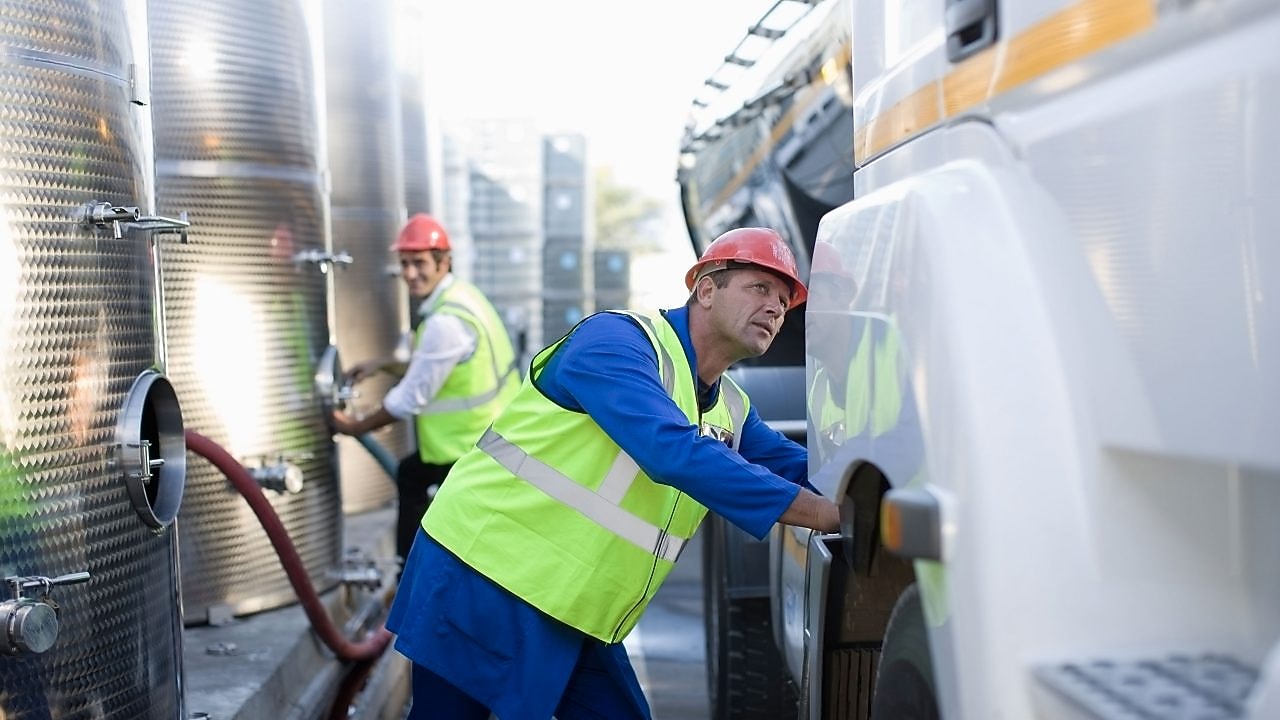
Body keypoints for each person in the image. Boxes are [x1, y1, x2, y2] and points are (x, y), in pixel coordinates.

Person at [385, 227, 842, 720]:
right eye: (759, 288)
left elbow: (798, 465)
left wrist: (874, 490)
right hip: (483, 576)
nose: (775, 307)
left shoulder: (729, 406)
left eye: (782, 299)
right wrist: (824, 513)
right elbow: (670, 451)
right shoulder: (615, 342)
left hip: (572, 605)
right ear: (706, 289)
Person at [329, 213, 519, 564]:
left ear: (443, 261)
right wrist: (383, 364)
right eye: (404, 264)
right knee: (417, 482)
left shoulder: (445, 322)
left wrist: (353, 427)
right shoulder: (464, 298)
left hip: (470, 446)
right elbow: (440, 366)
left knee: (412, 481)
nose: (410, 273)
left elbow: (409, 399)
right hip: (496, 438)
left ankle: (408, 579)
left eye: (419, 263)